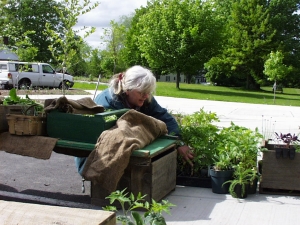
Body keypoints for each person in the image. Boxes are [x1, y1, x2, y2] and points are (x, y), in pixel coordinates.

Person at [75, 65, 194, 174]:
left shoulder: (145, 100)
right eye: (142, 92)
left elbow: (165, 118)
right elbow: (109, 140)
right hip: (96, 158)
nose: (146, 96)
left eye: (148, 92)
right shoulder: (107, 103)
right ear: (128, 88)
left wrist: (179, 142)